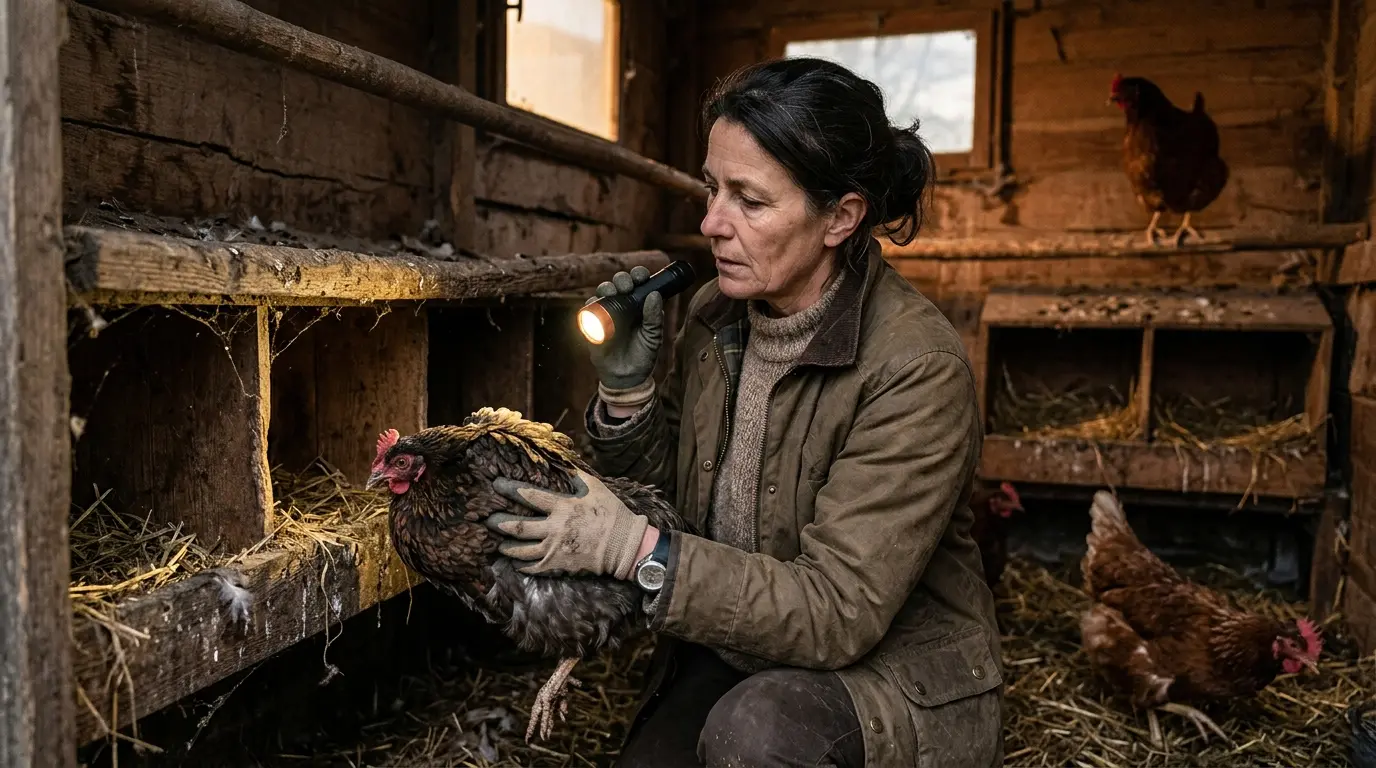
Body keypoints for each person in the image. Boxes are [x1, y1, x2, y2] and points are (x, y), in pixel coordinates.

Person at [483, 57, 1003, 767]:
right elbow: (675, 498)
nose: (711, 223)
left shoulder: (915, 369)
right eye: (711, 188)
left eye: (749, 201)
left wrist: (634, 552)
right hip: (737, 642)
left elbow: (837, 610)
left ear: (841, 218)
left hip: (880, 678)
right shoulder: (715, 315)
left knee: (755, 738)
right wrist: (629, 396)